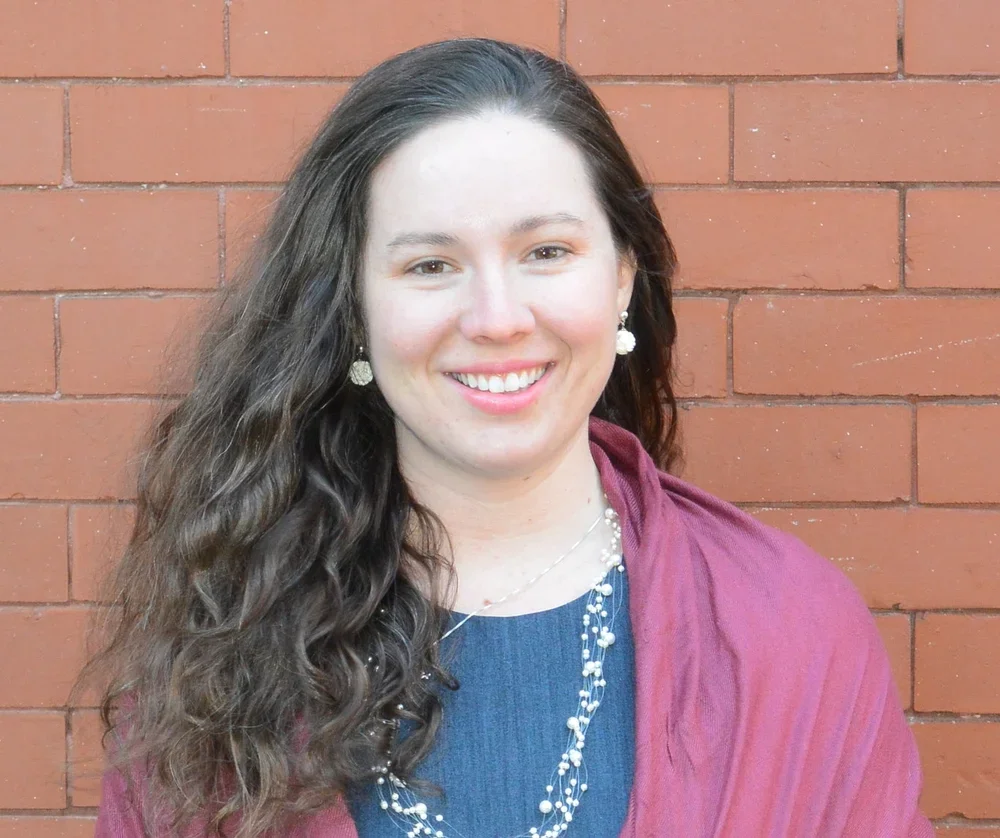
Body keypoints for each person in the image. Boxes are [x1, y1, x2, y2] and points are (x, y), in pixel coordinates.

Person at [84, 38, 934, 838]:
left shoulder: (792, 629)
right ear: (352, 311)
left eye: (547, 251)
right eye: (430, 265)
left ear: (622, 281)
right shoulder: (220, 646)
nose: (496, 319)